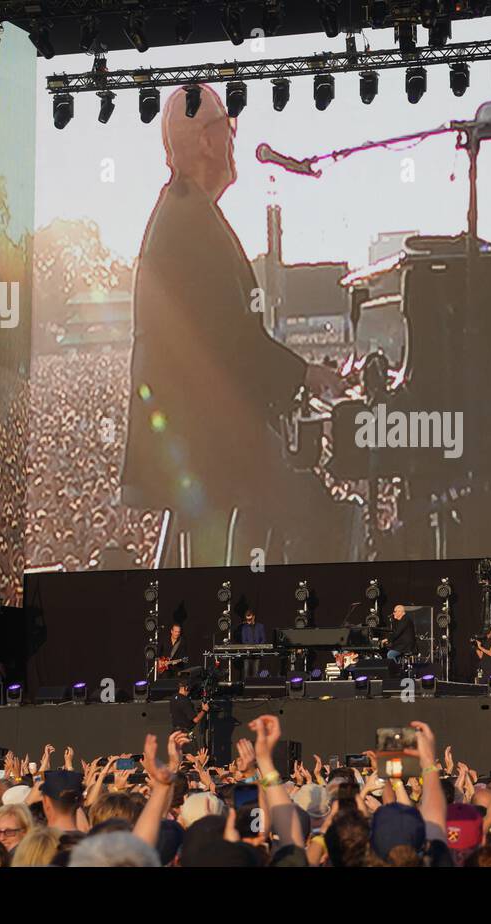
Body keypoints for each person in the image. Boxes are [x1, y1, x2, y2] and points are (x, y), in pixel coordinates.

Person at [121, 85, 344, 569]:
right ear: (205, 140)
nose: (234, 140)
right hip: (205, 440)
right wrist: (306, 375)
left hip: (196, 433)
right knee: (319, 515)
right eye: (229, 128)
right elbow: (230, 343)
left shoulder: (186, 212)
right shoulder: (190, 224)